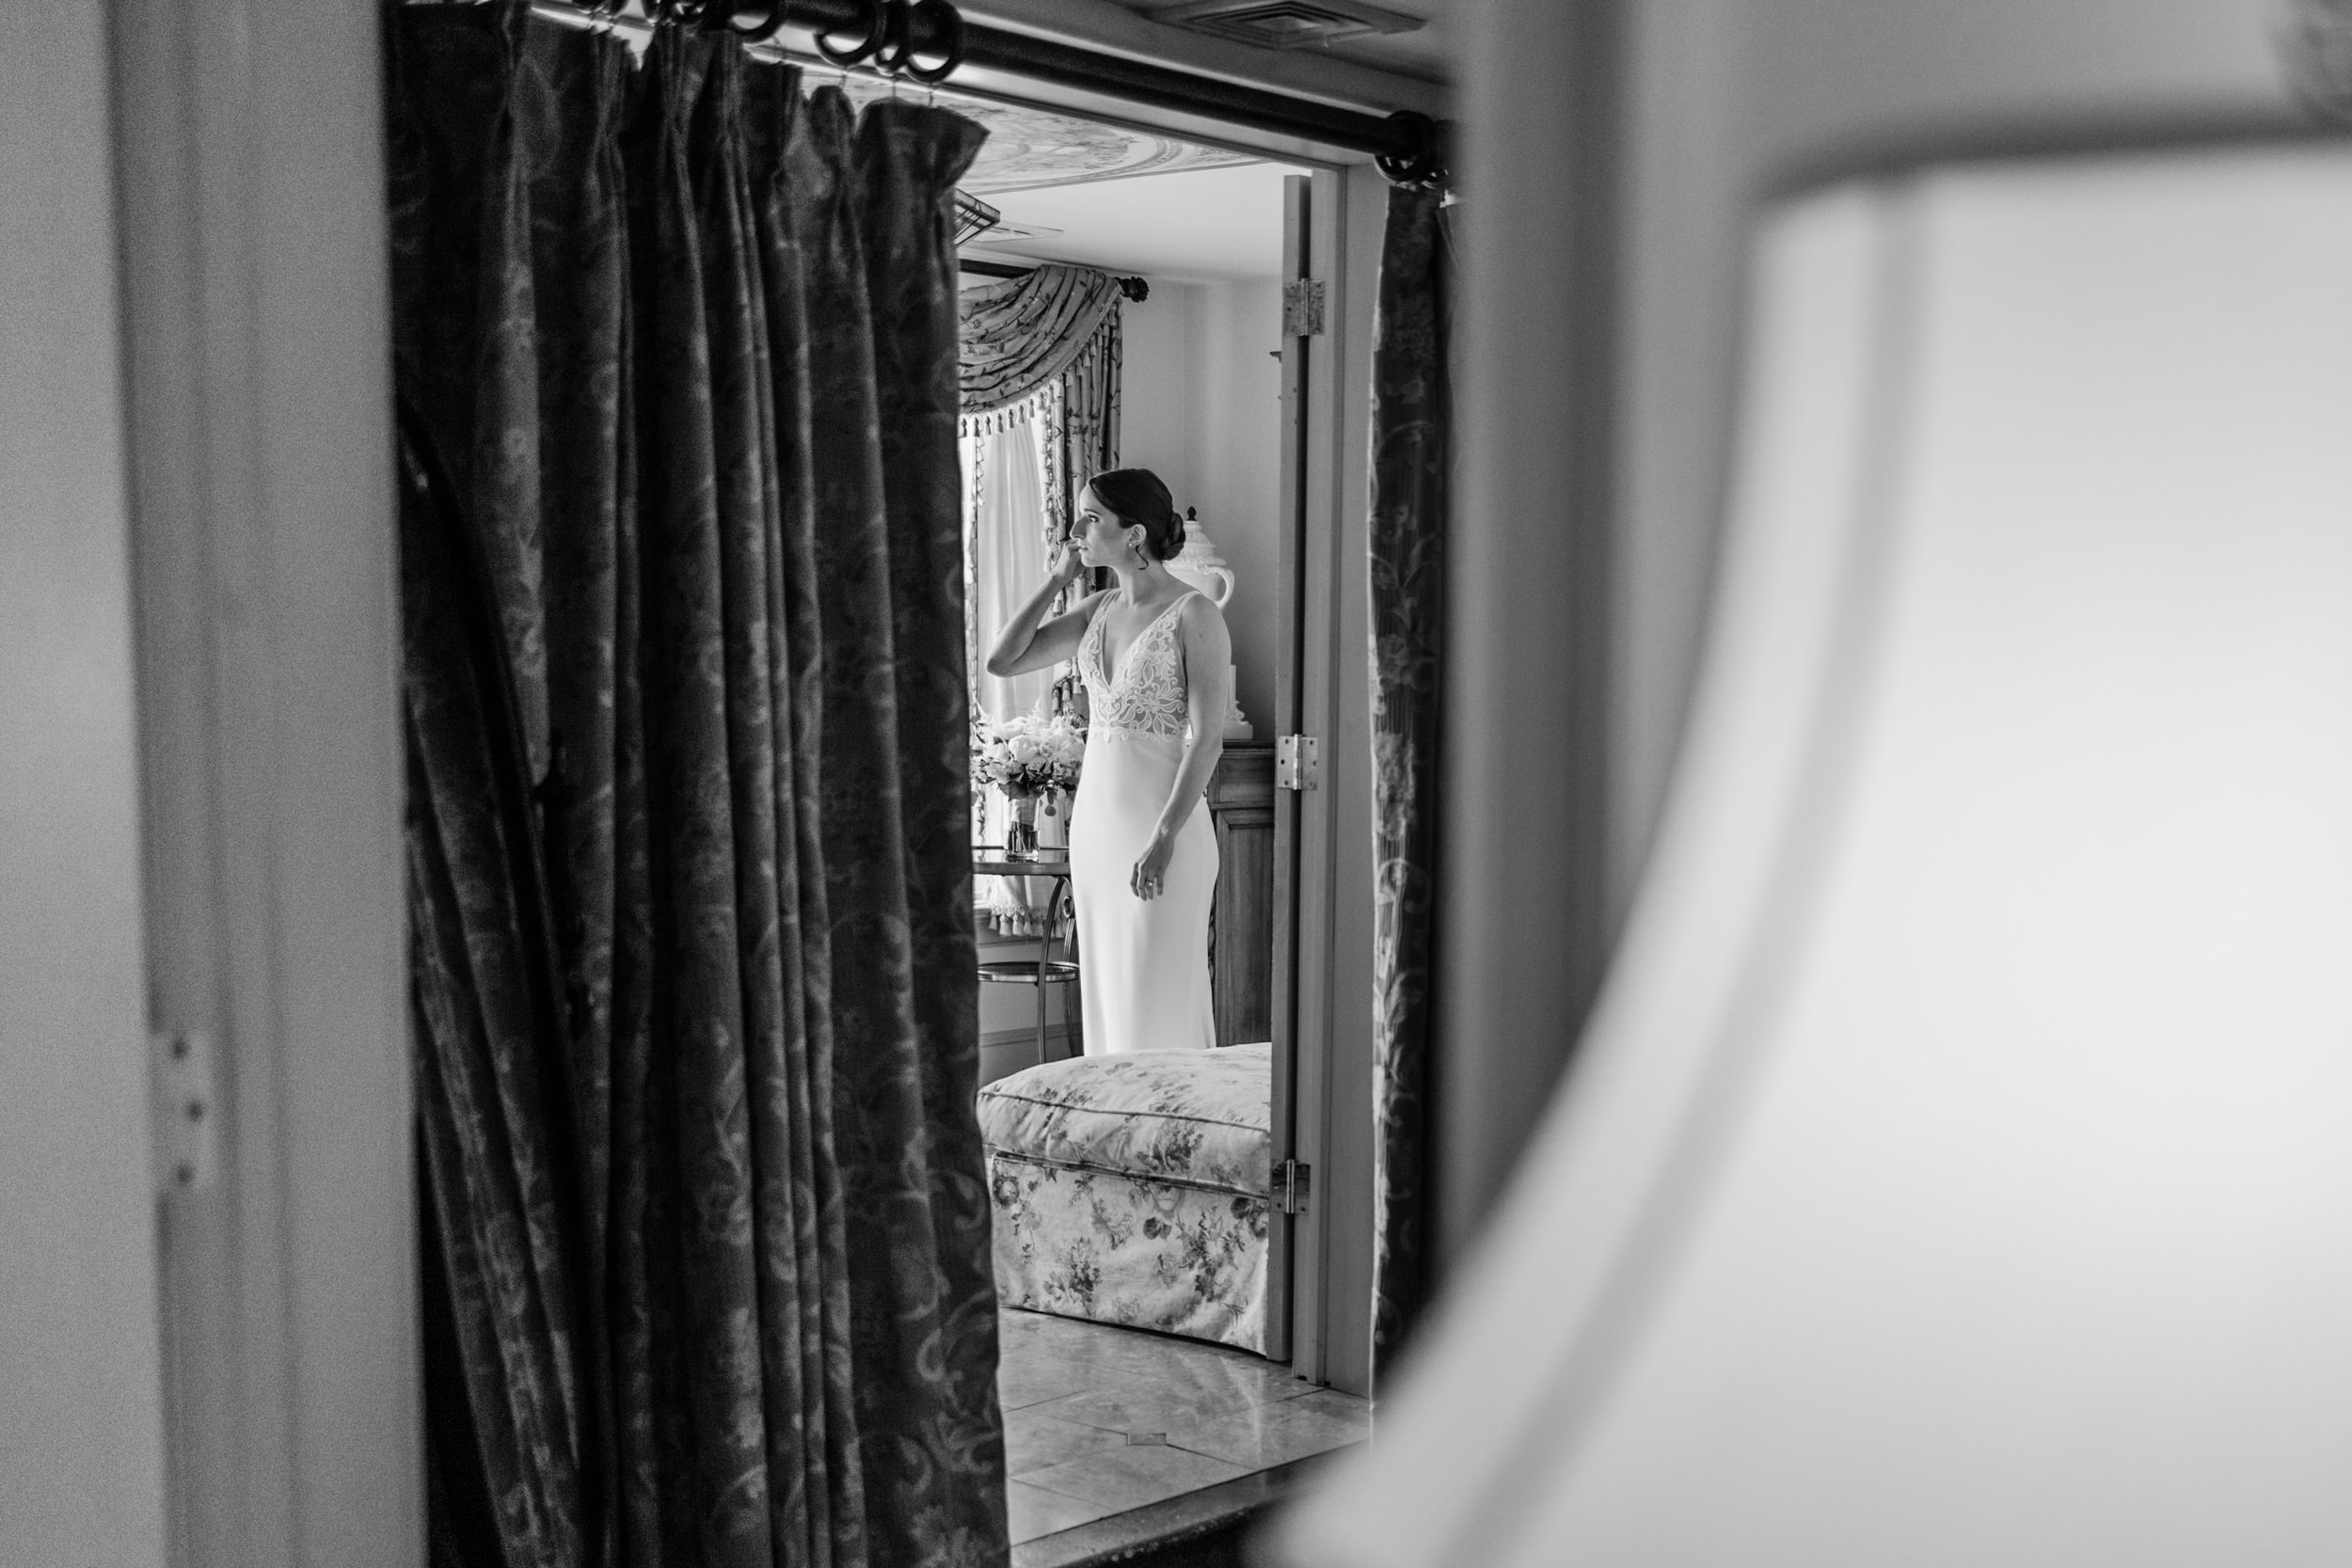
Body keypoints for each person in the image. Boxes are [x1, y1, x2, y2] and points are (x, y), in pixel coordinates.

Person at [985, 467, 1232, 1054]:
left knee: (1158, 994)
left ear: (1134, 534)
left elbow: (1208, 740)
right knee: (1110, 995)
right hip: (1097, 832)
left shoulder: (1197, 615)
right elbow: (1003, 660)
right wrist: (1054, 580)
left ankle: (1172, 1133)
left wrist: (1165, 837)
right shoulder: (1097, 608)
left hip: (1163, 832)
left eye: (1091, 518)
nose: (1076, 530)